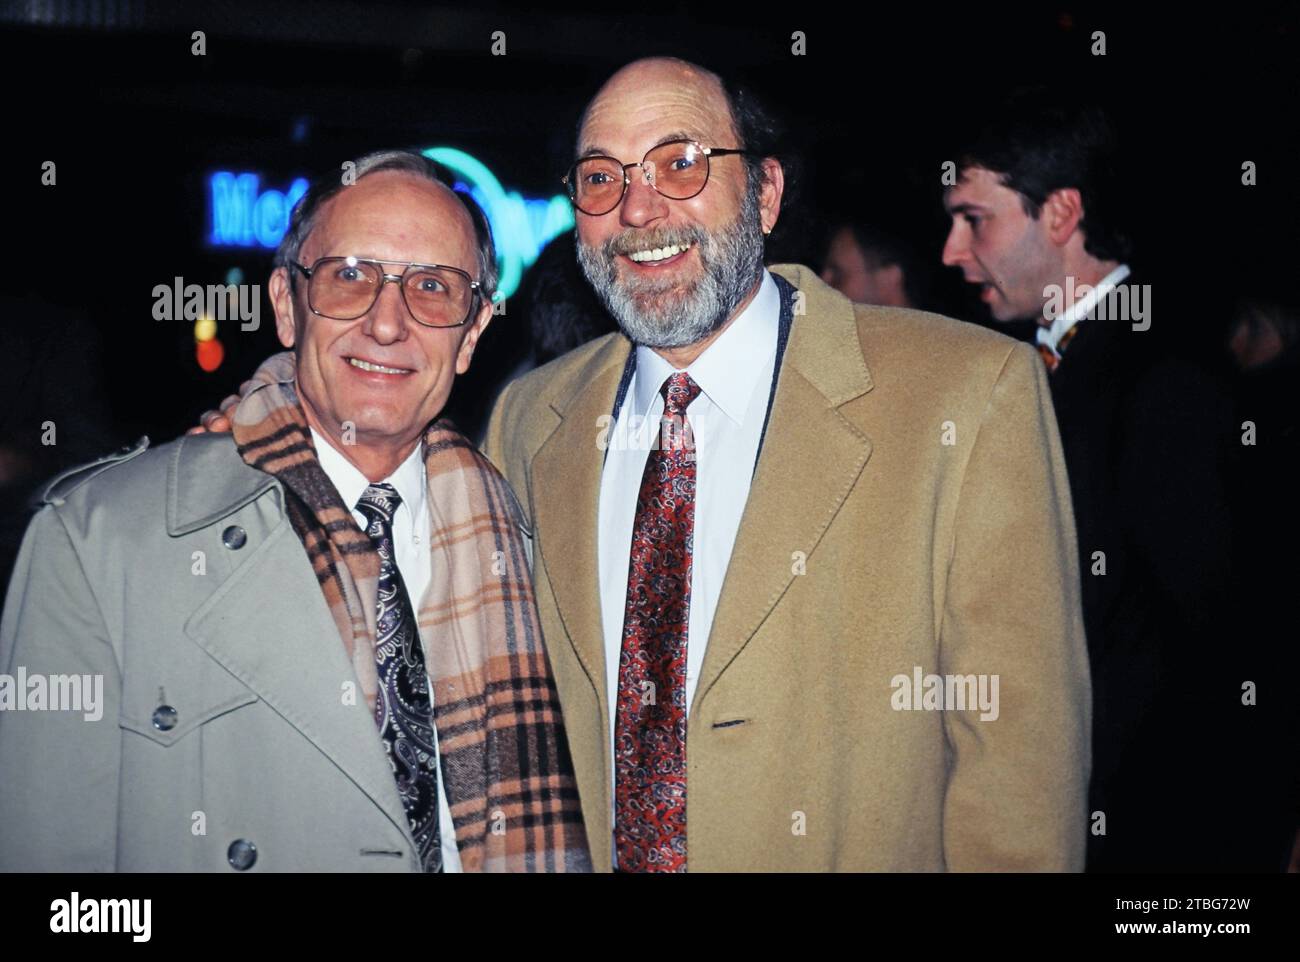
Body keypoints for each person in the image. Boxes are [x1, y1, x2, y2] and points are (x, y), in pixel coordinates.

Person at [199, 59, 1090, 872]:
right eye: (601, 179)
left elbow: (1021, 778)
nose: (638, 210)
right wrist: (256, 429)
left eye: (681, 164)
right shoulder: (531, 417)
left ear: (767, 193)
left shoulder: (967, 394)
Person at [0, 150, 590, 872]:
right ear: (285, 304)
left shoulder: (533, 549)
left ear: (470, 334)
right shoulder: (98, 542)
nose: (387, 322)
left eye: (433, 287)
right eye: (350, 277)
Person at [940, 90, 1244, 871]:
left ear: (1062, 213)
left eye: (975, 219)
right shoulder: (1035, 367)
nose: (952, 250)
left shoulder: (1163, 379)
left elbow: (1216, 634)